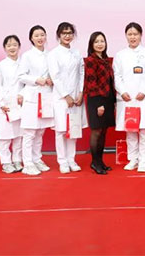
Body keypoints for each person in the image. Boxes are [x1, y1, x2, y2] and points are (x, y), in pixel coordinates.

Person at [114, 22, 145, 173]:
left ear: (141, 35)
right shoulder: (120, 55)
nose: (133, 37)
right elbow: (117, 75)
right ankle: (133, 159)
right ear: (126, 36)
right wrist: (122, 91)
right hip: (127, 98)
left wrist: (144, 91)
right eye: (130, 34)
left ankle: (144, 161)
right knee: (130, 131)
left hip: (143, 98)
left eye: (135, 34)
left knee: (144, 130)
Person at [47, 22, 86, 174]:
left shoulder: (76, 53)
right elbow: (55, 76)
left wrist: (80, 93)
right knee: (61, 130)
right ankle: (62, 161)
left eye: (70, 33)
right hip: (60, 98)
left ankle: (71, 159)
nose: (67, 36)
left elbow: (81, 73)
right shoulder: (53, 54)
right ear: (59, 35)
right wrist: (66, 96)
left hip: (76, 97)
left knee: (73, 129)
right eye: (64, 33)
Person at [17, 25, 55, 176]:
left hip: (46, 96)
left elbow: (54, 73)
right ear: (31, 38)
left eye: (42, 35)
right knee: (30, 131)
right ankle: (27, 163)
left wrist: (51, 80)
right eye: (36, 35)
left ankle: (37, 158)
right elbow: (21, 76)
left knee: (40, 131)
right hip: (32, 95)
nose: (40, 38)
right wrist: (36, 80)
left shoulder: (50, 55)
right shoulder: (27, 56)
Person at [84, 31, 116, 175]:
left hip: (108, 99)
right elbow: (91, 84)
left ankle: (100, 162)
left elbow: (110, 81)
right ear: (91, 44)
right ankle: (94, 162)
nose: (99, 44)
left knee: (103, 131)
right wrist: (99, 104)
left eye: (102, 41)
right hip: (96, 100)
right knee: (96, 131)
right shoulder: (91, 60)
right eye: (96, 41)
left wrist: (112, 101)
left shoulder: (106, 60)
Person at [0, 35, 24, 174]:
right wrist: (1, 103)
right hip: (6, 104)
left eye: (15, 45)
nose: (12, 48)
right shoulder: (1, 66)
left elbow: (26, 83)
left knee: (19, 134)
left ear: (19, 47)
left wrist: (23, 95)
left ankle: (17, 159)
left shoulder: (24, 64)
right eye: (9, 45)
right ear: (5, 48)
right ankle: (6, 162)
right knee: (5, 135)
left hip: (20, 103)